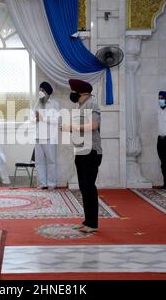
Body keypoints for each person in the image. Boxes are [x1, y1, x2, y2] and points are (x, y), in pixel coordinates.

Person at [62, 79, 102, 234]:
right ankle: (87, 221)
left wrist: (73, 127)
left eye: (73, 92)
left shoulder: (92, 104)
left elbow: (94, 125)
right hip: (81, 151)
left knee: (89, 187)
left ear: (82, 93)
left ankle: (92, 224)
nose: (72, 94)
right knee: (84, 188)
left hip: (91, 151)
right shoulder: (81, 105)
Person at [34, 82, 60, 190]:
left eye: (42, 90)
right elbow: (33, 118)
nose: (40, 92)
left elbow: (57, 121)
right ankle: (42, 183)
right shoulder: (37, 103)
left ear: (47, 92)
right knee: (39, 161)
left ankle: (51, 184)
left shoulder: (54, 104)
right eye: (39, 90)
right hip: (38, 136)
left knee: (51, 161)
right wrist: (35, 118)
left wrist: (43, 118)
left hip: (50, 137)